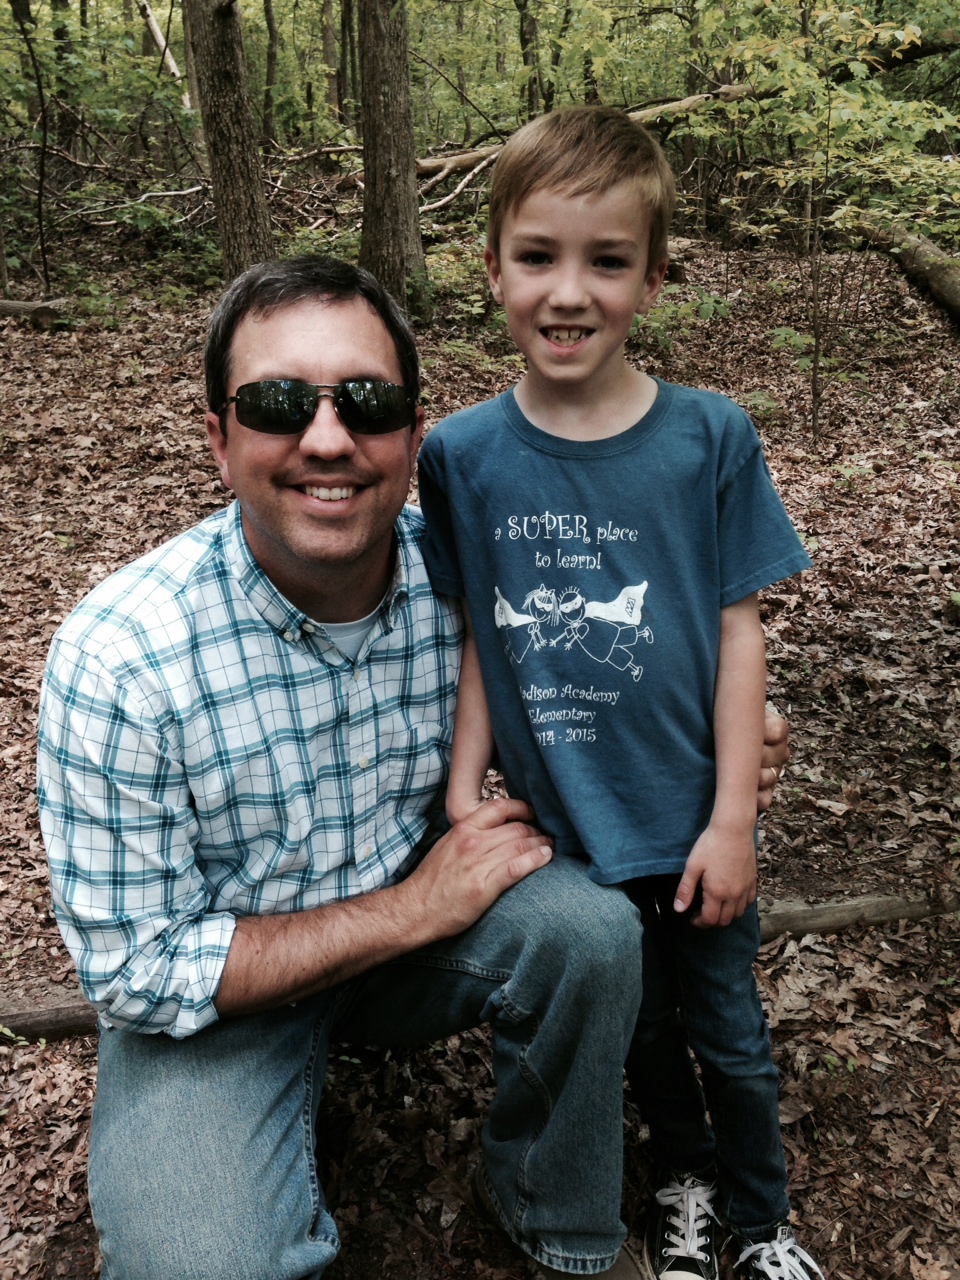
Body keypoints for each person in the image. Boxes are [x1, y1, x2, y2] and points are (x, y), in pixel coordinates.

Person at [37, 255, 787, 1280]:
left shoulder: (474, 587)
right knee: (203, 1263)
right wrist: (410, 910)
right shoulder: (122, 658)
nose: (327, 438)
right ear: (219, 439)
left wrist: (728, 746)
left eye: (368, 402)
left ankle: (556, 1217)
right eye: (278, 404)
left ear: (412, 435)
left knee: (591, 931)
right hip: (221, 1003)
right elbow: (136, 969)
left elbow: (621, 678)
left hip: (422, 944)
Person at [416, 108, 821, 1280]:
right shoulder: (462, 456)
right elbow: (482, 630)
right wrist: (463, 784)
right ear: (492, 269)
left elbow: (738, 632)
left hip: (692, 820)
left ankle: (762, 1221)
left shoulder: (708, 438)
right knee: (639, 1031)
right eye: (538, 255)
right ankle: (684, 1183)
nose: (568, 291)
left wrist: (733, 818)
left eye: (606, 260)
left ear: (652, 277)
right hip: (575, 834)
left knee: (729, 1033)